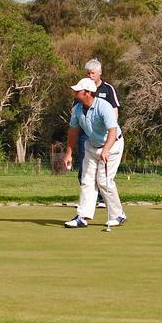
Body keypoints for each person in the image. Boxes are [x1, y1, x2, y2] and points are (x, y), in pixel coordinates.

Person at [63, 77, 126, 228]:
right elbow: (73, 132)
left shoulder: (104, 107)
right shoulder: (77, 109)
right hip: (91, 146)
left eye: (78, 90)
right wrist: (69, 153)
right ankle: (82, 216)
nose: (75, 92)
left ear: (87, 93)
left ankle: (118, 215)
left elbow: (112, 130)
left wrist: (106, 150)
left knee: (104, 181)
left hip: (113, 145)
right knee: (87, 180)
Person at [75, 59, 121, 207]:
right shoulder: (81, 90)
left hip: (106, 135)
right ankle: (87, 206)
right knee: (85, 170)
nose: (90, 75)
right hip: (86, 134)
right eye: (88, 73)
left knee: (103, 176)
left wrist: (108, 134)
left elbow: (114, 112)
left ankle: (103, 200)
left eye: (92, 73)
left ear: (99, 73)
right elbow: (75, 114)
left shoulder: (107, 89)